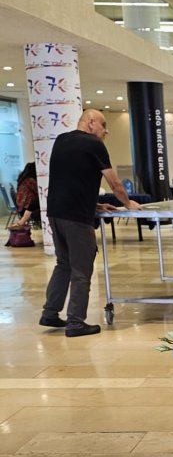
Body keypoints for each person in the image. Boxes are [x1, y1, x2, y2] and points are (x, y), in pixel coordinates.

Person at [40, 108, 141, 337]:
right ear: (91, 122)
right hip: (76, 219)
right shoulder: (94, 144)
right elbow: (114, 182)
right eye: (104, 125)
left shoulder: (61, 140)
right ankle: (76, 323)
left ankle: (50, 312)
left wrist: (95, 205)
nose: (106, 131)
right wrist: (128, 203)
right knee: (81, 269)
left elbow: (69, 180)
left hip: (56, 213)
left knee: (63, 263)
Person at [9, 162, 40, 230]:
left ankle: (21, 222)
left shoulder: (23, 179)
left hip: (22, 208)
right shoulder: (30, 180)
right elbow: (40, 193)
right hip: (26, 209)